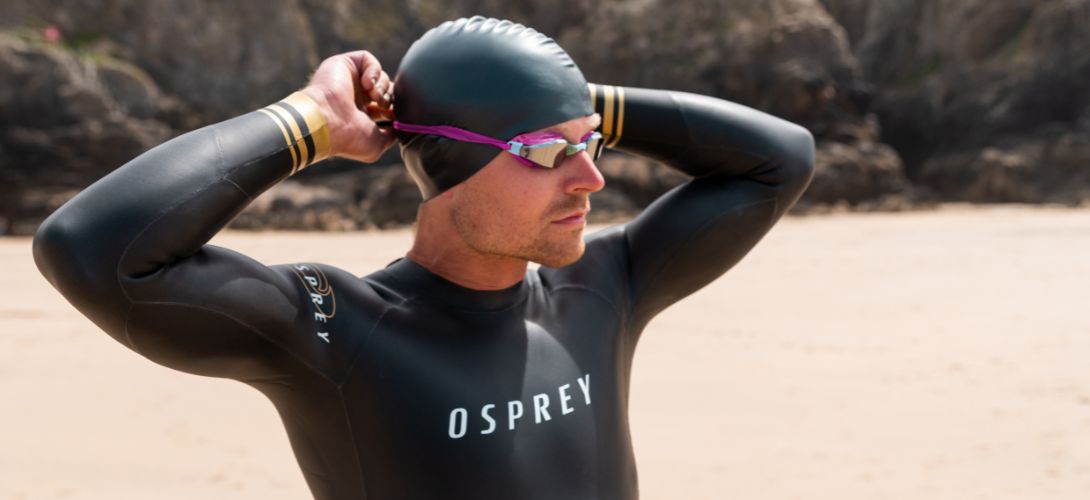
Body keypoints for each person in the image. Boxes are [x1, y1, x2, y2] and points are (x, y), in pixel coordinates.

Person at [34, 16, 814, 500]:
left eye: (592, 145)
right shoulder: (337, 334)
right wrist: (314, 120)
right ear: (448, 160)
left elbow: (782, 158)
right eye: (550, 153)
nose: (593, 177)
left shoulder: (605, 285)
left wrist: (569, 105)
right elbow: (91, 249)